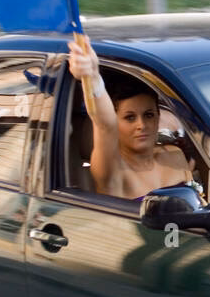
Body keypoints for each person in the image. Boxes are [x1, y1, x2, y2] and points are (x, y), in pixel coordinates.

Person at [68, 38, 194, 200]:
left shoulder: (175, 155)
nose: (141, 125)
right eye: (130, 118)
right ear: (116, 122)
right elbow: (105, 126)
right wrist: (92, 78)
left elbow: (198, 200)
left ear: (157, 118)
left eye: (148, 115)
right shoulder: (112, 171)